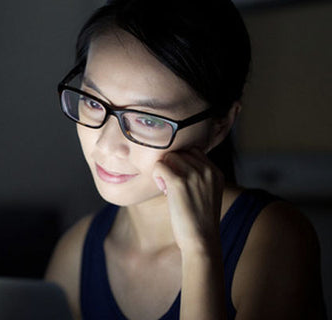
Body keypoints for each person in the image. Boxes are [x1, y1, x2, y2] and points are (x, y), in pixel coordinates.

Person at [45, 0, 326, 319]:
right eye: (93, 103)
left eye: (148, 120)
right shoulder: (76, 252)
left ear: (219, 126)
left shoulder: (272, 239)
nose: (108, 145)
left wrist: (200, 252)